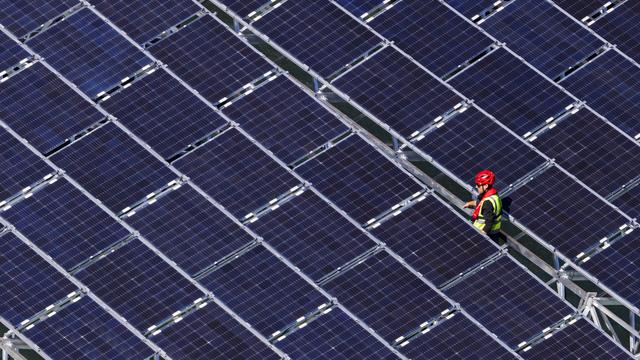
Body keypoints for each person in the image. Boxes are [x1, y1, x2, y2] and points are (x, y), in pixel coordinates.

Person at [463, 170, 503, 242]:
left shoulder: (487, 203)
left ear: (486, 186)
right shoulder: (493, 195)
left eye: (478, 185)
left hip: (486, 235)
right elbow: (481, 203)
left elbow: (489, 223)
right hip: (494, 234)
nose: (476, 186)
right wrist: (470, 203)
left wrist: (481, 236)